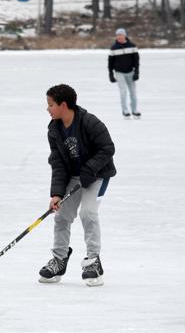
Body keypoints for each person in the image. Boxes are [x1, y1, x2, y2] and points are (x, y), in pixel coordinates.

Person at [39, 84, 116, 286]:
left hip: (97, 176)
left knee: (87, 213)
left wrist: (89, 169)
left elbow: (108, 148)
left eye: (50, 105)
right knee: (62, 215)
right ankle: (59, 259)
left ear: (63, 105)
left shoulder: (89, 122)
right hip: (74, 177)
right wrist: (56, 193)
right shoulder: (54, 130)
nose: (47, 109)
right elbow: (58, 163)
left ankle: (93, 262)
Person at [108, 28, 141, 119]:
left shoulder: (132, 46)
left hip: (130, 72)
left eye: (120, 35)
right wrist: (111, 74)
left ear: (125, 35)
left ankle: (134, 110)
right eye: (117, 35)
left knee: (133, 93)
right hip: (119, 73)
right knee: (123, 92)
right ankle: (125, 110)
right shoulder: (113, 48)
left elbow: (136, 61)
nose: (119, 37)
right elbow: (110, 63)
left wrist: (136, 72)